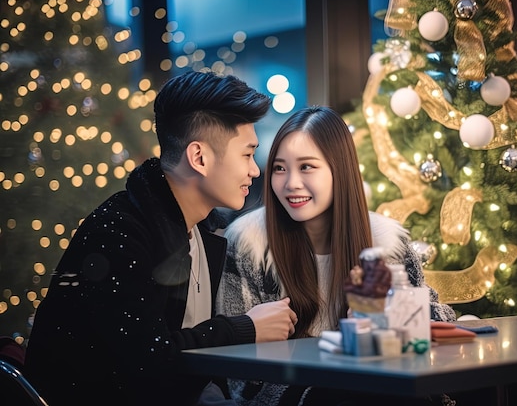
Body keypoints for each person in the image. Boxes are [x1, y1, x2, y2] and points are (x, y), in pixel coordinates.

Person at [24, 70, 298, 406]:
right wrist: (244, 328)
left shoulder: (199, 230)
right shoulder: (119, 232)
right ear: (199, 157)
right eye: (246, 154)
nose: (255, 170)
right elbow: (146, 362)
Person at [216, 106, 456, 405]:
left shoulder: (384, 243)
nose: (291, 183)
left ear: (339, 170)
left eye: (306, 167)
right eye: (279, 168)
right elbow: (241, 380)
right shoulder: (250, 243)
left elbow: (443, 318)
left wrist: (394, 314)